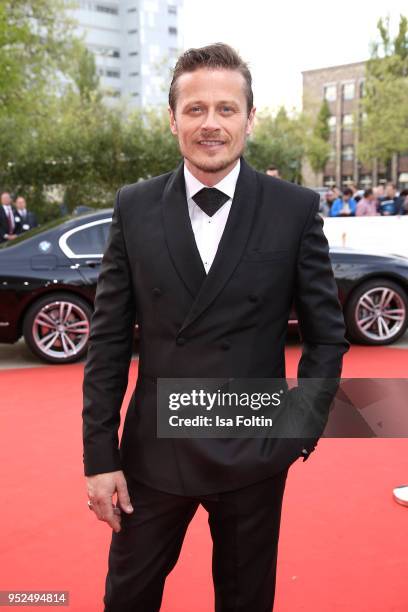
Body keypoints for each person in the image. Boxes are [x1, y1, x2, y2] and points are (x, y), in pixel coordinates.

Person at [82, 43, 349, 612]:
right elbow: (106, 342)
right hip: (154, 453)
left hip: (253, 448)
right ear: (172, 118)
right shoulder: (133, 206)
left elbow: (327, 335)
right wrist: (99, 457)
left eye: (227, 109)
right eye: (196, 108)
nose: (211, 123)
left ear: (250, 120)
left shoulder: (293, 208)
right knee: (126, 597)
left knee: (246, 600)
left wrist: (298, 430)